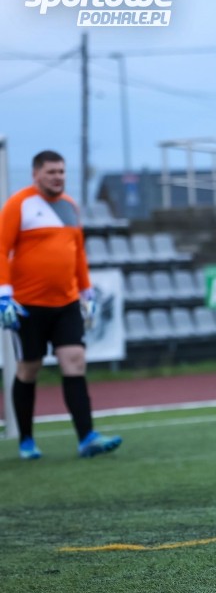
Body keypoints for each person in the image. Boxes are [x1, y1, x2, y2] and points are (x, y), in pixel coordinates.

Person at [0, 150, 122, 460]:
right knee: (29, 368)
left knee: (75, 360)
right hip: (27, 305)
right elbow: (1, 249)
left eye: (61, 172)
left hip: (66, 303)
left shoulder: (70, 206)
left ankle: (87, 438)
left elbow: (77, 252)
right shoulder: (19, 204)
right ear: (36, 174)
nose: (58, 177)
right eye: (51, 172)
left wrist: (86, 291)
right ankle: (26, 440)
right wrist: (4, 294)